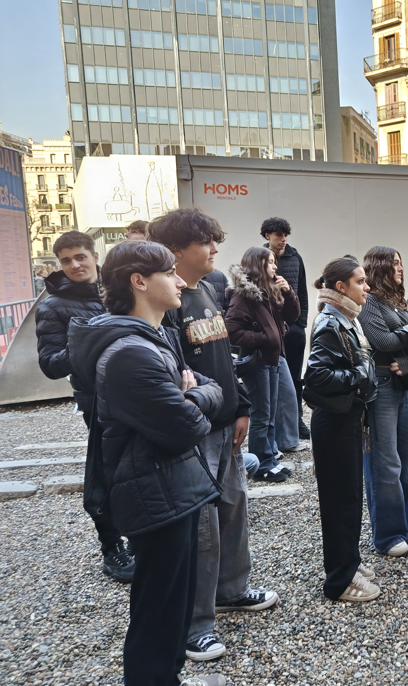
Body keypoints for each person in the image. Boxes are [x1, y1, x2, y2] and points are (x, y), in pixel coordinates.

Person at [68, 241, 226, 686]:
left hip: (170, 484)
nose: (179, 280)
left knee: (175, 603)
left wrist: (192, 394)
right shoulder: (130, 353)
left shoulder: (153, 338)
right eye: (169, 272)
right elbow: (188, 426)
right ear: (139, 281)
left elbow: (213, 385)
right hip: (153, 490)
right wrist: (195, 397)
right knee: (159, 610)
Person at [149, 209, 279, 664]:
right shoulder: (167, 303)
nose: (215, 249)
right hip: (198, 430)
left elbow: (224, 357)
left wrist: (241, 406)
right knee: (202, 527)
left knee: (233, 508)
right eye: (205, 242)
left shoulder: (207, 288)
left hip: (225, 425)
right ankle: (196, 624)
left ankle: (231, 590)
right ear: (177, 250)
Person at [34, 231, 134, 583]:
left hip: (138, 390)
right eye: (66, 260)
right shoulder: (52, 306)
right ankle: (112, 546)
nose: (74, 265)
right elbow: (50, 364)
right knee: (107, 472)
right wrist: (89, 344)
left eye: (80, 256)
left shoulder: (120, 289)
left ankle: (142, 536)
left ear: (94, 256)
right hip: (97, 400)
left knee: (140, 466)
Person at [303, 257, 380, 602]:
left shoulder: (345, 317)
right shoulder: (330, 321)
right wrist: (359, 376)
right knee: (340, 502)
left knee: (349, 498)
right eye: (360, 281)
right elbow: (316, 377)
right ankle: (339, 580)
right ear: (341, 287)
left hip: (346, 420)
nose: (367, 287)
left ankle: (348, 562)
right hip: (335, 423)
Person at [357, 247, 408, 557]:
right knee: (385, 463)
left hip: (403, 383)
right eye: (394, 263)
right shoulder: (369, 302)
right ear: (381, 266)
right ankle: (387, 535)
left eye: (400, 262)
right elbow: (383, 342)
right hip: (381, 387)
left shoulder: (396, 301)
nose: (400, 268)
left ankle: (406, 525)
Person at [226, 247, 300, 482]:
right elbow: (232, 331)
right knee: (261, 414)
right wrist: (266, 338)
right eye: (270, 262)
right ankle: (262, 463)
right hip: (257, 361)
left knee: (270, 413)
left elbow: (293, 315)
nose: (275, 266)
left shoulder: (270, 290)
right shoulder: (244, 295)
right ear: (258, 265)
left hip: (273, 359)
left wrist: (289, 292)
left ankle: (270, 458)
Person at [262, 217, 312, 442]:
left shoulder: (295, 257)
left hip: (294, 328)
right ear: (267, 236)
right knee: (273, 378)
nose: (283, 239)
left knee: (295, 377)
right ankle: (274, 426)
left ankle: (297, 420)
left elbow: (303, 293)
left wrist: (301, 324)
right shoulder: (260, 258)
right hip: (271, 329)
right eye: (278, 235)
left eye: (285, 235)